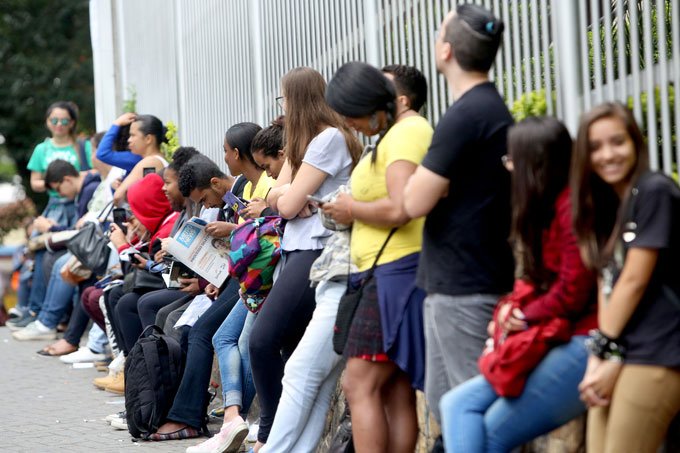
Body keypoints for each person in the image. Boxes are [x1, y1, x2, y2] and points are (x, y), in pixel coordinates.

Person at [438, 117, 597, 452]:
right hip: (560, 334)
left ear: (534, 164)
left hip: (586, 339)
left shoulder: (572, 208)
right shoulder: (549, 207)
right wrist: (517, 306)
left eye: (512, 160)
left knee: (490, 435)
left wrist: (525, 315)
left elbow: (573, 291)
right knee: (455, 405)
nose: (508, 168)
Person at [402, 4, 515, 426]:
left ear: (446, 50)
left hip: (464, 285)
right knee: (447, 403)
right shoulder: (488, 109)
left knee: (467, 408)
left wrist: (421, 181)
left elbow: (414, 201)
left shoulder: (465, 116)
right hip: (467, 276)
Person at [320, 62, 432, 453]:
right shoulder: (394, 135)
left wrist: (352, 209)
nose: (352, 124)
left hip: (394, 272)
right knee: (393, 387)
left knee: (359, 382)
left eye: (353, 115)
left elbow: (403, 206)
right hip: (384, 271)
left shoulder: (406, 133)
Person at [248, 67, 361, 452]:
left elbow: (287, 201)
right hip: (300, 249)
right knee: (305, 367)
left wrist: (286, 200)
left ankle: (270, 436)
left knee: (263, 340)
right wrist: (286, 200)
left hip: (318, 252)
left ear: (296, 100)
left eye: (283, 99)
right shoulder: (307, 143)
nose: (281, 108)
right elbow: (276, 198)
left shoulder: (329, 139)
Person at [571, 102, 680, 453]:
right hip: (627, 350)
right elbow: (609, 285)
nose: (608, 155)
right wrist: (598, 361)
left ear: (636, 142)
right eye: (596, 147)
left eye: (618, 142)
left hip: (662, 352)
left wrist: (606, 350)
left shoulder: (655, 191)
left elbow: (634, 280)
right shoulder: (609, 207)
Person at [186, 123, 277, 452]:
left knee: (233, 339)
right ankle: (234, 418)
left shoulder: (264, 185)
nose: (223, 157)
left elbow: (263, 234)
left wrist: (233, 229)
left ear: (239, 154)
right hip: (251, 279)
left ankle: (235, 419)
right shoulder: (250, 185)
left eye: (226, 151)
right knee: (231, 339)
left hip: (260, 281)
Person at [9, 101, 91, 329]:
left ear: (72, 122)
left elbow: (90, 172)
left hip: (77, 205)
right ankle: (35, 309)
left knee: (73, 255)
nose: (59, 125)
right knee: (40, 251)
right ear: (47, 122)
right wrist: (53, 182)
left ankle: (69, 315)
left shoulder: (80, 145)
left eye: (64, 120)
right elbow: (34, 181)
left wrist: (70, 179)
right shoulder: (42, 149)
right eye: (54, 120)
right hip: (54, 206)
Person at [12, 159, 101, 341]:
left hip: (93, 249)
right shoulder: (84, 190)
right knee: (49, 257)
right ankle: (47, 318)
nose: (59, 194)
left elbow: (81, 232)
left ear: (67, 179)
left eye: (58, 189)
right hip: (89, 246)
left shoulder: (90, 190)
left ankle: (47, 321)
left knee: (59, 262)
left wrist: (51, 229)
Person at [98, 113, 169, 205]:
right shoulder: (154, 160)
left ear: (148, 139)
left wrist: (120, 190)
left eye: (133, 135)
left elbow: (118, 196)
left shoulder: (149, 162)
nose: (129, 140)